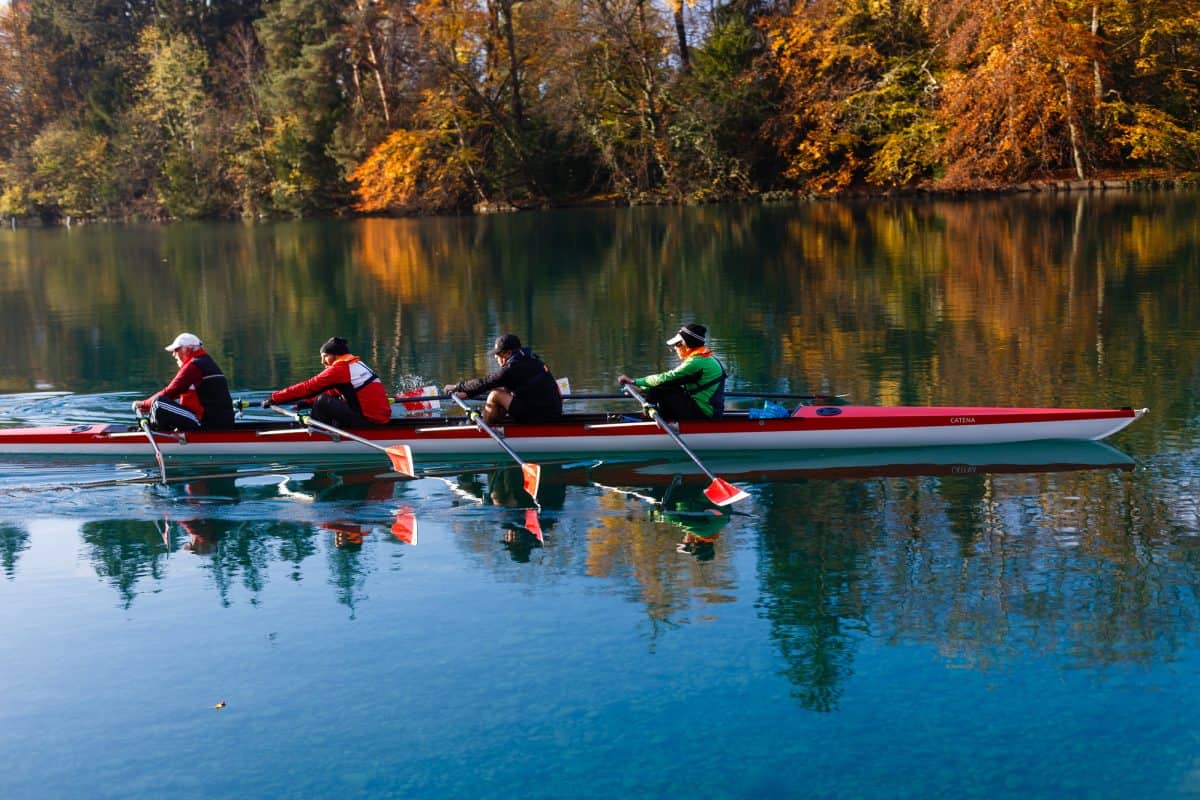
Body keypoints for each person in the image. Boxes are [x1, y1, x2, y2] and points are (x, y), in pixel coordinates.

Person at [262, 337, 391, 428]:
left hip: (369, 421)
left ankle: (314, 433)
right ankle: (324, 426)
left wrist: (274, 398)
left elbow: (308, 387)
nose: (322, 361)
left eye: (325, 356)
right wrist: (306, 403)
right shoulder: (356, 364)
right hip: (378, 418)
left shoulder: (339, 369)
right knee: (325, 398)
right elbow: (334, 390)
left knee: (322, 400)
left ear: (335, 355)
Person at [443, 334, 562, 425]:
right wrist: (468, 393)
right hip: (553, 412)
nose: (495, 357)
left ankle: (484, 428)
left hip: (541, 417)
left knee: (495, 395)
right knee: (500, 389)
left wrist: (457, 387)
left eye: (498, 354)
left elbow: (485, 382)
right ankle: (494, 422)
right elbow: (491, 384)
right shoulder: (531, 359)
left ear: (508, 353)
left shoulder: (511, 369)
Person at [617, 323, 727, 421]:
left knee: (660, 387)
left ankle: (650, 414)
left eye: (677, 344)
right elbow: (673, 382)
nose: (675, 348)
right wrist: (642, 389)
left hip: (705, 416)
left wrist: (634, 381)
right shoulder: (707, 358)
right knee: (665, 387)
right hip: (707, 412)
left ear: (687, 344)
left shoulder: (696, 363)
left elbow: (665, 378)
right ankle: (653, 415)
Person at [133, 332, 235, 431]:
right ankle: (162, 430)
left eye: (176, 350)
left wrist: (143, 404)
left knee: (159, 403)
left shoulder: (193, 366)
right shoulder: (206, 362)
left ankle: (156, 434)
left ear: (187, 349)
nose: (173, 354)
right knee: (172, 402)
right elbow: (176, 396)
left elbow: (169, 392)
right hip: (222, 423)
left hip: (207, 424)